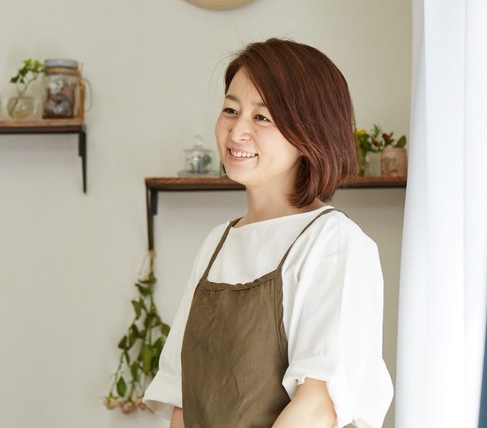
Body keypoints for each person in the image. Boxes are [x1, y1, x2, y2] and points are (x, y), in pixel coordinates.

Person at [144, 38, 393, 428]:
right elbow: (184, 396)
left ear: (310, 131)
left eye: (262, 117)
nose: (237, 132)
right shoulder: (217, 244)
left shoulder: (333, 242)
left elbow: (318, 405)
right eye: (231, 110)